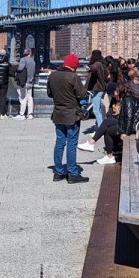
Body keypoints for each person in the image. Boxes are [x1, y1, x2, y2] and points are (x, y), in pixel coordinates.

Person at [47, 54, 88, 183]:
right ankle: (72, 173)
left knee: (59, 142)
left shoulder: (53, 75)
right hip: (72, 114)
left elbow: (49, 94)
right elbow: (82, 94)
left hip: (58, 113)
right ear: (74, 66)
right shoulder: (73, 77)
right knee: (71, 143)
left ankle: (58, 172)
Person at [86, 49, 110, 127]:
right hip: (101, 88)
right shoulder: (103, 65)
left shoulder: (97, 64)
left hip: (98, 89)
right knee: (99, 109)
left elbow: (94, 68)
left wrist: (89, 68)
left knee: (96, 110)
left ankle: (100, 128)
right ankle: (98, 125)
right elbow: (108, 76)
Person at [14, 48, 36, 120]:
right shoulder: (33, 61)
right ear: (30, 53)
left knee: (23, 97)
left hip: (24, 81)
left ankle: (22, 114)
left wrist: (16, 69)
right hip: (31, 81)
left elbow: (20, 68)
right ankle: (30, 114)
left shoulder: (23, 59)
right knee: (30, 98)